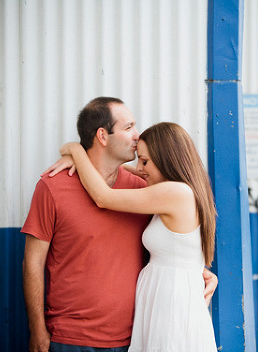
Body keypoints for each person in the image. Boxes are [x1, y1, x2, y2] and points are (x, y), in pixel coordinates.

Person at [22, 97, 217, 352]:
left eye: (145, 161)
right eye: (128, 128)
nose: (136, 136)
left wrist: (73, 149)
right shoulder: (53, 187)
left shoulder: (145, 190)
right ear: (102, 135)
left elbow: (104, 198)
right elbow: (32, 262)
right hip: (72, 337)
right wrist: (38, 330)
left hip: (136, 333)